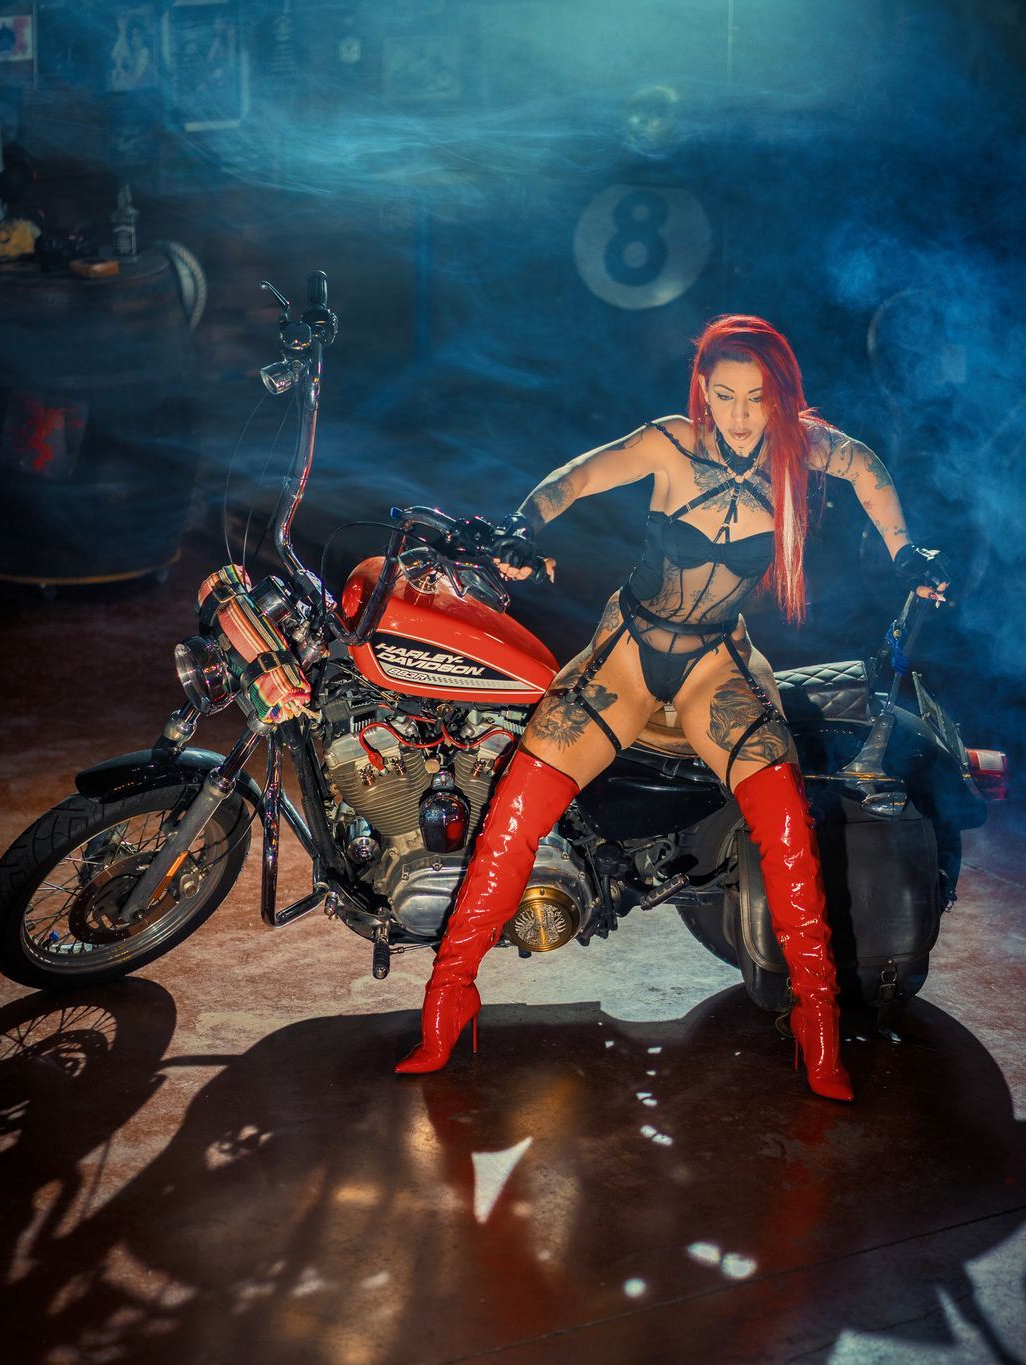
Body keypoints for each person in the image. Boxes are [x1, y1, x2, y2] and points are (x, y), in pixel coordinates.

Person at [395, 314, 950, 1099]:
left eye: (754, 398)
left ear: (779, 396)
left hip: (715, 662)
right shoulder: (670, 443)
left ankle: (817, 1022)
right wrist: (521, 527)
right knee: (514, 815)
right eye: (723, 395)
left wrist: (905, 552)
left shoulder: (803, 451)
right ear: (703, 392)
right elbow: (577, 476)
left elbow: (866, 469)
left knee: (786, 825)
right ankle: (448, 1000)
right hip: (627, 648)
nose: (738, 415)